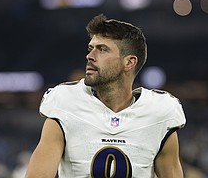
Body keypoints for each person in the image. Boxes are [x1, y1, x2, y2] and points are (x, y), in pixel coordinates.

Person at [25, 14, 186, 178]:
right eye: (91, 48)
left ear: (129, 62)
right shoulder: (65, 102)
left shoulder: (159, 112)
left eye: (102, 49)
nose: (90, 56)